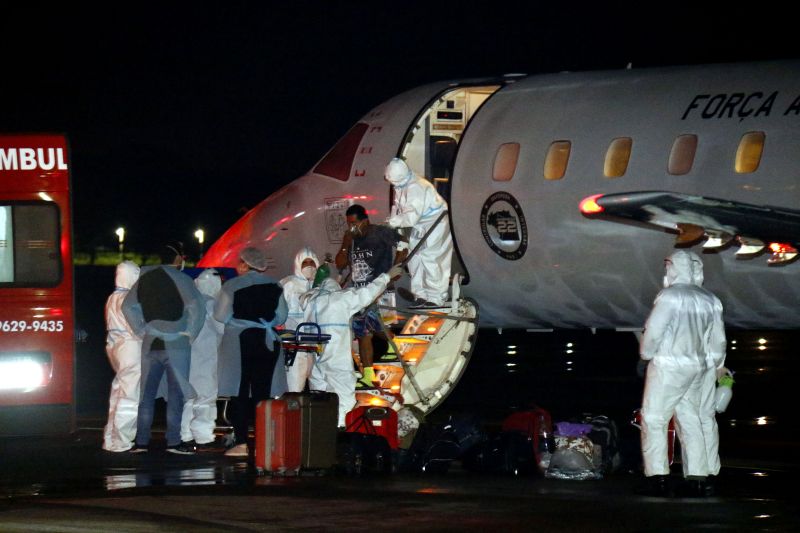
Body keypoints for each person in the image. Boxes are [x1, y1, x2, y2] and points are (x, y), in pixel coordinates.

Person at [638, 250, 727, 497]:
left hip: (669, 367)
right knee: (690, 419)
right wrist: (717, 365)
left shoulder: (670, 296)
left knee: (654, 418)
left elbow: (654, 331)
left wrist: (645, 353)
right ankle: (697, 477)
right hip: (698, 368)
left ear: (673, 268)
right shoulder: (710, 299)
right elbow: (718, 341)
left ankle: (658, 477)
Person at [122, 243, 205, 454]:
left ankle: (141, 442)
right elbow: (198, 308)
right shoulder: (183, 280)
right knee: (175, 396)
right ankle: (173, 442)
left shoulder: (145, 278)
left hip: (150, 343)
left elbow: (127, 306)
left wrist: (141, 329)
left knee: (146, 396)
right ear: (178, 259)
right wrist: (190, 333)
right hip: (177, 345)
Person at [300, 263, 403, 426]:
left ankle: (318, 434)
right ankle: (340, 436)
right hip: (336, 362)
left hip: (315, 362)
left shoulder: (309, 301)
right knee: (343, 403)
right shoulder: (340, 299)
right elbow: (366, 293)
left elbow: (307, 294)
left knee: (319, 401)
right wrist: (387, 277)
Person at [214, 247, 288, 457]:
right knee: (262, 393)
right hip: (267, 342)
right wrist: (267, 322)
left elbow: (220, 315)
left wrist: (238, 322)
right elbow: (282, 316)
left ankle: (241, 442)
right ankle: (264, 442)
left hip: (241, 341)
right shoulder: (275, 285)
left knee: (239, 392)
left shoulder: (232, 285)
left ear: (245, 264)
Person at [334, 204, 407, 387]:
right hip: (359, 293)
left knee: (372, 328)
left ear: (365, 221)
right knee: (364, 333)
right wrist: (345, 243)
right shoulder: (351, 239)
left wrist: (394, 269)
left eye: (354, 223)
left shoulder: (379, 232)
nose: (351, 227)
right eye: (348, 223)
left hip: (379, 288)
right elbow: (340, 264)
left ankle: (393, 344)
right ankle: (369, 373)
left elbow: (403, 243)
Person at [384, 157, 453, 308]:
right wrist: (394, 218)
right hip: (420, 224)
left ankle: (436, 297)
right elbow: (398, 206)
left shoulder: (417, 187)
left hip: (435, 222)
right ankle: (420, 295)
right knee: (415, 257)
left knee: (431, 259)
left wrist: (394, 222)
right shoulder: (401, 184)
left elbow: (411, 216)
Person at [181, 268, 225, 450]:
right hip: (207, 357)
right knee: (206, 398)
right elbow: (221, 329)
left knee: (189, 398)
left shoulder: (190, 303)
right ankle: (204, 436)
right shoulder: (213, 305)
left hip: (188, 356)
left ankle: (184, 433)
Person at [102, 260, 142, 452]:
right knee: (129, 395)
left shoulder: (112, 297)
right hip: (130, 347)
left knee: (118, 393)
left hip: (115, 346)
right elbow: (136, 328)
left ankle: (111, 438)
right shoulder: (128, 299)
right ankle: (122, 441)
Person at [280, 246, 320, 392]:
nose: (309, 266)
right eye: (305, 263)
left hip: (317, 347)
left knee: (319, 388)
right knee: (294, 388)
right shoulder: (288, 284)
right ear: (298, 264)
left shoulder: (321, 285)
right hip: (295, 348)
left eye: (312, 262)